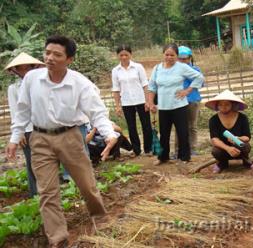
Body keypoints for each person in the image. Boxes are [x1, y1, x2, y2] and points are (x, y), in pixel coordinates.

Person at [6, 35, 117, 248]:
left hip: (70, 137)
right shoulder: (31, 79)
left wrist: (109, 134)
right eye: (47, 53)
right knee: (47, 190)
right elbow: (22, 110)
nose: (50, 58)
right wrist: (15, 137)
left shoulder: (79, 83)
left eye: (57, 54)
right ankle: (57, 238)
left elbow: (97, 112)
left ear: (69, 59)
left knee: (86, 183)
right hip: (39, 138)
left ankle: (99, 215)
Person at [148, 43, 204, 165]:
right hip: (163, 106)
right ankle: (163, 157)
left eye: (172, 55)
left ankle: (184, 157)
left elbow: (199, 77)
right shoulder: (157, 68)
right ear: (163, 54)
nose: (169, 57)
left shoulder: (181, 67)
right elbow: (152, 86)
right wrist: (151, 103)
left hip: (179, 105)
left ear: (176, 56)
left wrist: (187, 91)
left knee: (182, 132)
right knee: (164, 133)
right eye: (167, 54)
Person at [5, 52, 44, 197]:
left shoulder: (40, 83)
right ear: (15, 70)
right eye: (21, 68)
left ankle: (49, 189)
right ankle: (35, 192)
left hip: (43, 127)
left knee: (45, 160)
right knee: (31, 161)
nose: (25, 71)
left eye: (28, 67)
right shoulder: (14, 88)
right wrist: (18, 133)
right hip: (27, 130)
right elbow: (16, 111)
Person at [112, 44, 153, 157]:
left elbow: (145, 84)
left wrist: (148, 101)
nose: (124, 57)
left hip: (141, 100)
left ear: (130, 54)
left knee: (146, 125)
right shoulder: (116, 70)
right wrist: (118, 105)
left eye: (126, 54)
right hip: (126, 102)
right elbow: (116, 89)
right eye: (121, 55)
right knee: (131, 126)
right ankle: (136, 150)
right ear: (118, 56)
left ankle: (148, 149)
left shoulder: (138, 67)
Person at [206, 90, 253, 173]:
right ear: (217, 106)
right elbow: (214, 140)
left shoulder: (242, 117)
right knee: (215, 151)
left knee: (245, 146)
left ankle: (246, 161)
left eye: (226, 104)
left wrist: (238, 138)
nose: (223, 107)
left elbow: (247, 137)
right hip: (223, 149)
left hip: (239, 148)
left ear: (232, 105)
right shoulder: (213, 119)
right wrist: (228, 148)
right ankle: (222, 163)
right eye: (220, 104)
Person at [173, 46, 203, 156]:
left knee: (192, 126)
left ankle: (193, 148)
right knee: (179, 126)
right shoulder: (173, 70)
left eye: (185, 58)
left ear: (190, 58)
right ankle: (178, 150)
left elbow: (201, 83)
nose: (183, 61)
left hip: (193, 100)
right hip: (178, 101)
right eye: (180, 59)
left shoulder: (195, 70)